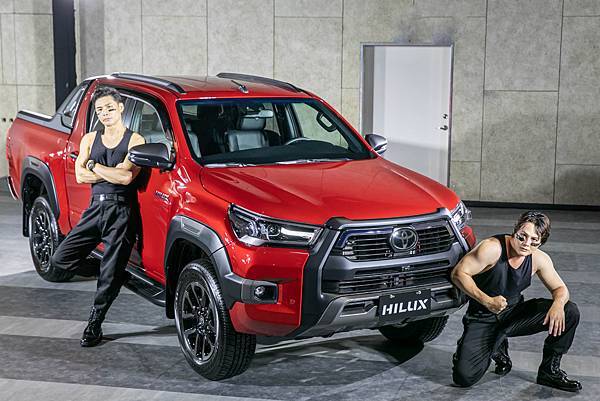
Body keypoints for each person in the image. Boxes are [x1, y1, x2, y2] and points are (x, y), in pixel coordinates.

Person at [50, 86, 145, 347]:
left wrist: (93, 165)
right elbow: (81, 176)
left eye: (110, 108)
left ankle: (95, 323)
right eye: (100, 110)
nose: (105, 114)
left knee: (109, 274)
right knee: (61, 258)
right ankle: (114, 274)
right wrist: (107, 171)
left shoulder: (135, 140)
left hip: (122, 211)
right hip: (95, 209)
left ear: (121, 108)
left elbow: (125, 177)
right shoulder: (90, 139)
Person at [450, 211, 581, 392]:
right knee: (464, 377)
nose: (526, 244)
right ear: (515, 230)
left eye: (534, 240)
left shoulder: (539, 258)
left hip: (513, 314)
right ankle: (495, 345)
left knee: (569, 311)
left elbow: (560, 289)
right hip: (483, 317)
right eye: (522, 236)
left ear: (541, 242)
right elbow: (458, 274)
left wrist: (558, 305)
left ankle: (549, 371)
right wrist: (487, 301)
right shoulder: (491, 248)